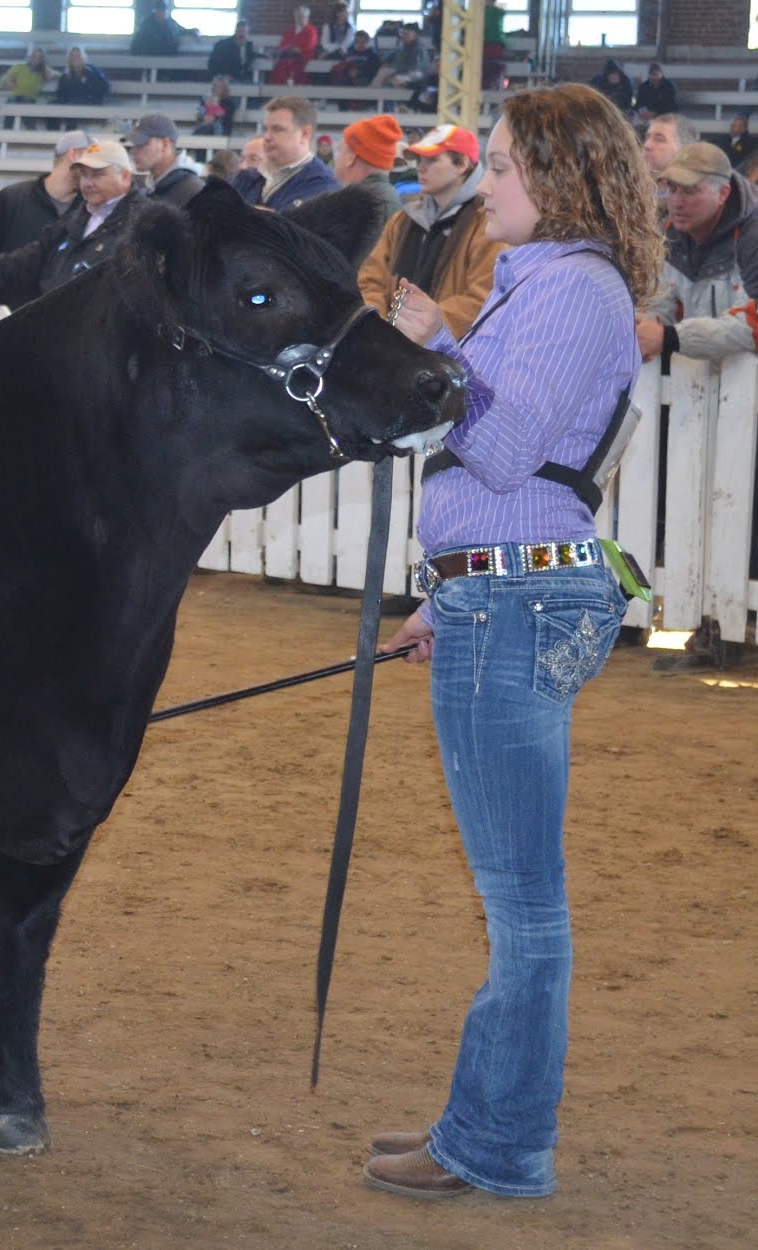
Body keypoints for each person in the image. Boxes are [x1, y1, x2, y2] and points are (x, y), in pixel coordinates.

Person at [372, 82, 661, 1202]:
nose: (484, 184)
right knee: (520, 894)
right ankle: (488, 1123)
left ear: (556, 175)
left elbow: (499, 450)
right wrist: (444, 599)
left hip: (516, 598)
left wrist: (429, 358)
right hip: (502, 593)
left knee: (522, 902)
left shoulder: (571, 289)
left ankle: (496, 1144)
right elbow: (521, 459)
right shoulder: (552, 282)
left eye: (498, 165)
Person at [359, 123, 503, 338]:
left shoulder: (488, 224)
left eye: (432, 160)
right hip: (393, 346)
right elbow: (370, 279)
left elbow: (484, 297)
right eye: (420, 160)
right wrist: (378, 326)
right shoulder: (403, 220)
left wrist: (422, 327)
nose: (421, 167)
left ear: (462, 164)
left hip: (451, 352)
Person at [0, 137, 136, 311]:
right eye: (84, 175)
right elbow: (39, 251)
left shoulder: (142, 221)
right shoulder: (78, 216)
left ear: (125, 177)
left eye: (98, 174)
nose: (88, 183)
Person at [637, 143, 758, 365]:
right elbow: (660, 305)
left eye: (690, 191)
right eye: (672, 189)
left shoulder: (752, 237)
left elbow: (754, 323)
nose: (677, 202)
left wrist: (670, 337)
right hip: (696, 373)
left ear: (723, 193)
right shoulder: (667, 232)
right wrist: (644, 326)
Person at [0, 129, 88, 266]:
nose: (92, 169)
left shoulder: (89, 209)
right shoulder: (10, 199)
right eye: (89, 158)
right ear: (74, 155)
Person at [228, 96, 339, 210]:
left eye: (277, 129)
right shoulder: (246, 177)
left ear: (305, 134)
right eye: (266, 129)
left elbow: (291, 221)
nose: (267, 137)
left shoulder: (325, 186)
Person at [332, 112, 403, 216]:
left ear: (351, 157)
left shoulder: (356, 204)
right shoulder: (388, 197)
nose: (336, 159)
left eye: (339, 151)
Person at [124, 113, 203, 207]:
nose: (133, 151)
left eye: (141, 144)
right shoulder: (154, 187)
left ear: (165, 144)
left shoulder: (193, 191)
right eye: (134, 144)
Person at [52, 46, 110, 126]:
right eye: (72, 56)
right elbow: (60, 93)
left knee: (72, 107)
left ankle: (70, 131)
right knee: (51, 106)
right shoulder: (65, 74)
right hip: (70, 103)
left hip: (89, 103)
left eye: (77, 56)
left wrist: (95, 100)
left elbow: (104, 87)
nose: (74, 59)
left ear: (83, 58)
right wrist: (61, 101)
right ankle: (53, 130)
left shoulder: (92, 70)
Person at [0, 48, 54, 128]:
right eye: (34, 56)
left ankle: (30, 131)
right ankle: (6, 133)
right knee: (11, 103)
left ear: (42, 59)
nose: (36, 59)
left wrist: (52, 76)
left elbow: (59, 75)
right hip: (15, 97)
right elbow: (4, 78)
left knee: (26, 103)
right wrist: (7, 81)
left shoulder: (44, 71)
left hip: (29, 98)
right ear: (30, 57)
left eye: (39, 57)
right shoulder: (19, 67)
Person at [268, 6, 319, 87]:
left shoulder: (311, 30)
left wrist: (297, 49)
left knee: (291, 65)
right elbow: (282, 44)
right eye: (297, 17)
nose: (299, 19)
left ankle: (290, 84)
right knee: (280, 65)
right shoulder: (291, 30)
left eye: (302, 16)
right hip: (287, 56)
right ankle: (278, 89)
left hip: (302, 57)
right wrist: (288, 48)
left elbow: (310, 46)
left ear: (307, 17)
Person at [641, 113, 699, 183]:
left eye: (659, 139)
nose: (646, 145)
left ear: (683, 149)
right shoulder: (633, 185)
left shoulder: (702, 188)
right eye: (647, 138)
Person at [372, 23, 429, 90]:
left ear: (415, 35)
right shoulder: (400, 48)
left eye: (407, 34)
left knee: (395, 79)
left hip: (415, 79)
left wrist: (395, 77)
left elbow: (419, 72)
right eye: (402, 33)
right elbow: (386, 61)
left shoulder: (420, 50)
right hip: (398, 75)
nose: (403, 36)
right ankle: (372, 93)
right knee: (383, 71)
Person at [129, 3, 196, 57]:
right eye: (160, 10)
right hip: (152, 55)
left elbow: (182, 30)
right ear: (155, 11)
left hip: (170, 55)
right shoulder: (147, 25)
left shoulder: (171, 23)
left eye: (164, 10)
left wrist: (193, 31)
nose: (162, 12)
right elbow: (137, 43)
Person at [208, 20, 256, 85]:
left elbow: (253, 55)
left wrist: (266, 56)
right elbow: (212, 63)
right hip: (225, 78)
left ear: (247, 33)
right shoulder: (223, 45)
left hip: (243, 79)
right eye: (239, 31)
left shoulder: (248, 46)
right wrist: (223, 75)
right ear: (235, 31)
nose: (242, 34)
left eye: (244, 32)